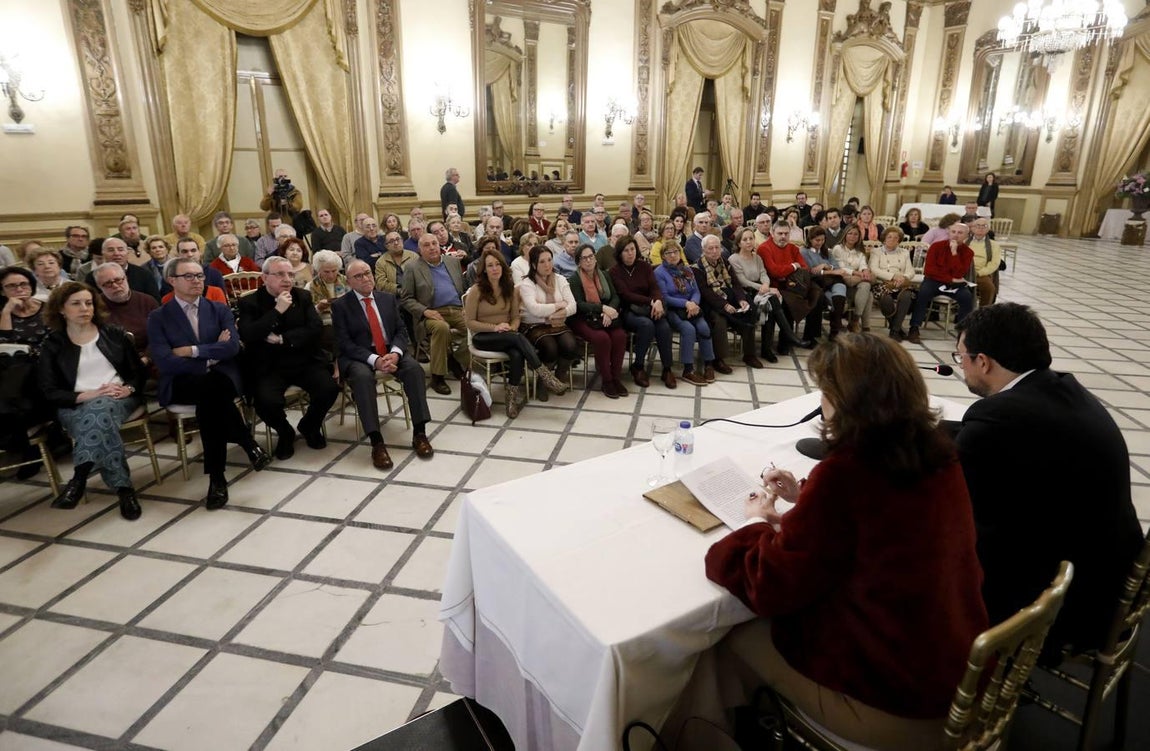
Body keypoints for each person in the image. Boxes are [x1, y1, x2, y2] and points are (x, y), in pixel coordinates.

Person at [689, 333, 987, 751]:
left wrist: (753, 525)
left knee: (721, 638)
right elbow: (876, 519)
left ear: (845, 402)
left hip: (894, 702)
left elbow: (769, 586)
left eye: (825, 393)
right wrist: (804, 498)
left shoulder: (847, 474)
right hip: (956, 675)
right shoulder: (937, 453)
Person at [954, 303, 1143, 654]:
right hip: (1113, 576)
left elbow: (953, 502)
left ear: (984, 361)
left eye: (961, 356)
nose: (960, 364)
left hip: (1067, 606)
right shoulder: (1063, 388)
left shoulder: (997, 419)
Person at [147, 258, 272, 509]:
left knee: (210, 397)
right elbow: (165, 362)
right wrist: (209, 355)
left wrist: (191, 350)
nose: (197, 281)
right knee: (212, 395)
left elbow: (232, 347)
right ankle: (248, 443)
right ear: (172, 280)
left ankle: (217, 480)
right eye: (189, 276)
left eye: (200, 276)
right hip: (182, 381)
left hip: (222, 376)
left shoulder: (219, 309)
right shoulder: (159, 317)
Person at [38, 282, 147, 519]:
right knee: (99, 417)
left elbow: (138, 373)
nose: (84, 308)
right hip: (74, 405)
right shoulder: (53, 344)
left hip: (118, 398)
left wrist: (128, 388)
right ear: (61, 309)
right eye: (76, 303)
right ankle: (124, 490)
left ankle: (78, 479)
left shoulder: (114, 334)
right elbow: (48, 390)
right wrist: (82, 395)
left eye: (88, 303)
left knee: (101, 407)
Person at [333, 260, 434, 469]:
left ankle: (420, 433)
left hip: (390, 349)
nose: (365, 278)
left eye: (367, 273)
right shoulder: (341, 306)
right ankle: (376, 442)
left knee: (415, 370)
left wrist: (395, 354)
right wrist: (375, 361)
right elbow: (345, 344)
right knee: (362, 378)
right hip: (359, 354)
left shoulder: (387, 299)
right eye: (358, 276)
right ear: (349, 281)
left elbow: (401, 331)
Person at [238, 257, 339, 460]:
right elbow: (248, 334)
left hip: (303, 359)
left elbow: (315, 328)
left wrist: (284, 338)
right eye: (280, 274)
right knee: (265, 402)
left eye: (291, 274)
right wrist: (277, 311)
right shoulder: (249, 302)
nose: (287, 279)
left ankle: (309, 425)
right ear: (265, 277)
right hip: (269, 365)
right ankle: (285, 432)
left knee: (329, 388)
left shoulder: (302, 296)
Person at [464, 249, 568, 417]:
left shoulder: (510, 288)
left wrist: (511, 328)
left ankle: (510, 399)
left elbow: (515, 317)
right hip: (483, 336)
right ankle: (546, 376)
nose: (495, 268)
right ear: (484, 269)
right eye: (490, 265)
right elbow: (469, 322)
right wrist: (495, 327)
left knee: (517, 354)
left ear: (503, 267)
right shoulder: (476, 290)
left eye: (498, 264)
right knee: (518, 338)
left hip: (507, 335)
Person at [401, 233, 469, 395]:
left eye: (434, 243)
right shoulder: (412, 268)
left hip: (458, 309)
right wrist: (425, 311)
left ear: (439, 246)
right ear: (419, 249)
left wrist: (467, 307)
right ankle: (437, 377)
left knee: (474, 328)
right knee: (441, 328)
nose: (431, 247)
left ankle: (454, 358)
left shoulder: (452, 262)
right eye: (426, 245)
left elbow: (464, 290)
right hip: (431, 313)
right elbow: (406, 299)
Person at [0, 266, 51, 476]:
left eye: (23, 284)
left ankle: (25, 448)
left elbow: (57, 341)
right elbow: (4, 347)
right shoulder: (2, 314)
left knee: (13, 392)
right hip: (14, 374)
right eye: (11, 286)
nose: (19, 289)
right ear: (2, 291)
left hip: (47, 368)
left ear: (31, 286)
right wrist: (6, 312)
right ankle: (31, 446)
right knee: (13, 383)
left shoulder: (47, 308)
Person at [728, 227, 805, 363]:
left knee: (771, 305)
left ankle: (768, 348)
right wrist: (766, 289)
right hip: (745, 294)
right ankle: (787, 337)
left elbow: (764, 274)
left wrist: (766, 285)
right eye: (745, 239)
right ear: (739, 243)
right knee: (772, 301)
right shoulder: (734, 259)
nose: (749, 242)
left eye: (751, 238)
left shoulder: (757, 258)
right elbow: (742, 281)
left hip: (760, 291)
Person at [610, 235, 676, 389]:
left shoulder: (644, 266)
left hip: (650, 308)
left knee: (664, 327)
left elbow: (654, 287)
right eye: (626, 250)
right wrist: (651, 302)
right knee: (647, 325)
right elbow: (626, 294)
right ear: (620, 253)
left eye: (632, 249)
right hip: (628, 310)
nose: (630, 253)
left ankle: (667, 369)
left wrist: (658, 301)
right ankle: (638, 366)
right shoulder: (615, 271)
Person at [567, 243, 629, 398]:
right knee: (602, 339)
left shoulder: (604, 274)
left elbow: (614, 296)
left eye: (591, 256)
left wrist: (609, 312)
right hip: (583, 318)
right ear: (578, 262)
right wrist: (602, 309)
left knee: (620, 336)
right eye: (584, 258)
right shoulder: (574, 279)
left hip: (605, 317)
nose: (588, 261)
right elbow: (579, 305)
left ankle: (616, 377)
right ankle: (607, 381)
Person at [695, 235, 763, 370]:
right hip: (711, 303)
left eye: (717, 247)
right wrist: (724, 305)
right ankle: (718, 359)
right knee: (719, 320)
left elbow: (735, 284)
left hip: (729, 297)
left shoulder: (725, 262)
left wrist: (741, 300)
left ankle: (749, 354)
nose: (715, 251)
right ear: (703, 250)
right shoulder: (697, 268)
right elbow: (706, 292)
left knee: (749, 310)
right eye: (711, 248)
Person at [518, 246, 578, 395]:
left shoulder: (560, 279)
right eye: (542, 262)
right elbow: (535, 309)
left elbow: (573, 306)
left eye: (550, 260)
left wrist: (558, 314)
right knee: (550, 347)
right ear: (533, 265)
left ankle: (559, 377)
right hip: (533, 325)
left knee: (571, 345)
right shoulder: (527, 283)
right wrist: (559, 305)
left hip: (556, 323)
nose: (547, 265)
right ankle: (543, 382)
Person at [654, 242, 714, 386]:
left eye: (676, 251)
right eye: (669, 253)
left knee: (704, 328)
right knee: (688, 329)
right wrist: (686, 304)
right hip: (674, 310)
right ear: (663, 256)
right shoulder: (659, 272)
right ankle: (688, 370)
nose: (673, 255)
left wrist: (693, 303)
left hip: (691, 307)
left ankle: (709, 364)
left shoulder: (687, 270)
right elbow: (665, 297)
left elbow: (695, 291)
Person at [759, 222, 825, 346]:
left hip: (795, 285)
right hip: (776, 287)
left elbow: (804, 268)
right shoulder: (764, 248)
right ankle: (785, 342)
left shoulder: (793, 248)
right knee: (789, 301)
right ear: (772, 234)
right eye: (780, 233)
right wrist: (793, 266)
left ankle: (810, 336)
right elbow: (774, 271)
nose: (783, 236)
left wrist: (786, 272)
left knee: (818, 294)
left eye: (786, 233)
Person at [907, 222, 974, 344]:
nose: (955, 235)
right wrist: (951, 279)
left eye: (960, 233)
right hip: (933, 281)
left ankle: (964, 334)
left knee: (967, 296)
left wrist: (954, 253)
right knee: (923, 293)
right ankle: (914, 328)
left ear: (966, 236)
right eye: (953, 232)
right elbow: (929, 271)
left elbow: (959, 273)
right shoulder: (936, 246)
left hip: (954, 284)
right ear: (948, 232)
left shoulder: (968, 252)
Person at [93, 262, 159, 362]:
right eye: (108, 283)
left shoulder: (147, 301)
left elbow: (160, 334)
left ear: (126, 278)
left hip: (150, 358)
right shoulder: (95, 307)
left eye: (118, 280)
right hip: (112, 361)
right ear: (99, 286)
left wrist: (146, 357)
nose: (115, 286)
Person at [869, 227, 918, 341]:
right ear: (884, 239)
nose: (892, 239)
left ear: (899, 240)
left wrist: (904, 277)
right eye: (889, 237)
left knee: (906, 297)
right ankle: (897, 328)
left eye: (896, 238)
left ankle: (894, 331)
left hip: (900, 283)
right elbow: (874, 269)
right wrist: (892, 276)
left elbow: (911, 271)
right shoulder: (876, 252)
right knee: (886, 300)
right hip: (883, 283)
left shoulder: (904, 252)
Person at [831, 225, 875, 332]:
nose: (852, 236)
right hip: (842, 282)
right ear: (845, 235)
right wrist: (858, 273)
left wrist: (864, 271)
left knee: (867, 287)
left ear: (859, 236)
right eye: (850, 233)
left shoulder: (860, 252)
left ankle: (856, 320)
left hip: (856, 283)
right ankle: (864, 326)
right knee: (868, 290)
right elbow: (840, 267)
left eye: (856, 234)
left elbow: (863, 265)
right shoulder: (838, 248)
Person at [967, 217, 1002, 307]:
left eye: (984, 226)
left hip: (981, 274)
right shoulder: (964, 242)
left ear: (988, 229)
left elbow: (994, 263)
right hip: (965, 273)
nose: (981, 228)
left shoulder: (994, 245)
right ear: (972, 228)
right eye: (978, 225)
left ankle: (984, 310)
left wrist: (979, 273)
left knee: (989, 288)